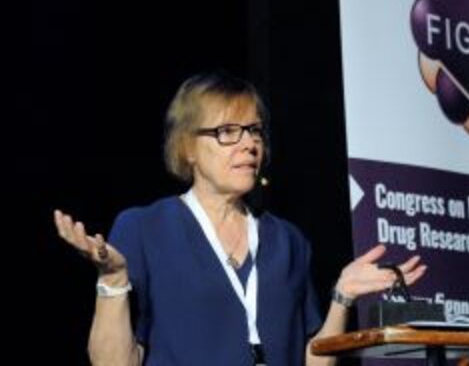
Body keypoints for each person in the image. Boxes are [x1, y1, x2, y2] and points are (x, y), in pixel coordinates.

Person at [54, 72, 427, 366]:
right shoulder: (144, 228)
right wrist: (113, 280)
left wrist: (342, 297)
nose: (249, 144)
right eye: (228, 132)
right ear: (187, 147)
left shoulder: (288, 241)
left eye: (254, 131)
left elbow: (313, 361)